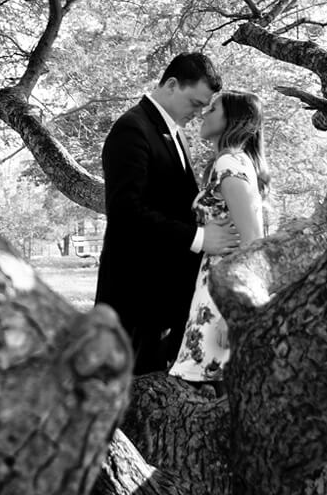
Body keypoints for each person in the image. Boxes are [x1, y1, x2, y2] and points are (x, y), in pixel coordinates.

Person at [95, 52, 241, 375]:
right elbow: (125, 212)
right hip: (134, 296)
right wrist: (199, 238)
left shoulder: (174, 133)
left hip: (162, 298)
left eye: (205, 107)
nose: (199, 113)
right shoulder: (132, 129)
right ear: (172, 85)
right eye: (195, 103)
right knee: (122, 392)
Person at [170, 90, 269, 383]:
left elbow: (252, 239)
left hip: (224, 296)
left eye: (213, 109)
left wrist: (234, 313)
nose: (204, 113)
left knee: (212, 385)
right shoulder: (232, 162)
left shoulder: (230, 164)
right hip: (216, 288)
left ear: (232, 121)